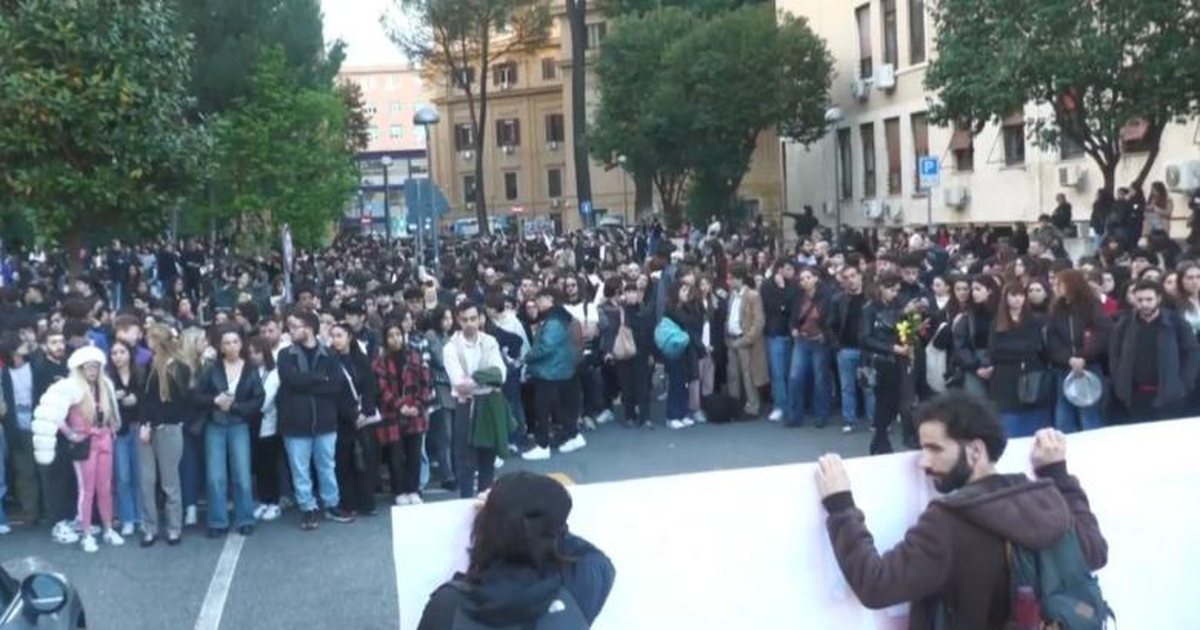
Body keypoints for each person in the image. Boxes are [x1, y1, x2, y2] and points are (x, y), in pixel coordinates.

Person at [815, 392, 1108, 629]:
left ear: (976, 451)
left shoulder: (948, 521)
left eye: (935, 449)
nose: (923, 462)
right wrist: (1057, 473)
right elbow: (1095, 551)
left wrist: (840, 506)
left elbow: (876, 585)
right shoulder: (1047, 498)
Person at [416, 472, 615, 630]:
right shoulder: (576, 589)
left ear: (485, 528)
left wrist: (496, 512)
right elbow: (598, 560)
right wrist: (552, 527)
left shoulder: (447, 606)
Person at [277, 310, 354, 530]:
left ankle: (331, 504)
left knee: (326, 465)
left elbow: (336, 385)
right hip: (295, 421)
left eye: (294, 326)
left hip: (325, 420)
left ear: (308, 328)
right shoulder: (285, 355)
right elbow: (290, 380)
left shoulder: (329, 354)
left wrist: (307, 384)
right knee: (300, 469)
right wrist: (319, 379)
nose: (290, 331)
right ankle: (308, 508)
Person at [196, 325, 264, 537]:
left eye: (235, 342)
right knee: (216, 476)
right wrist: (214, 400)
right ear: (221, 347)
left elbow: (258, 399)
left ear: (241, 344)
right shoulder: (211, 368)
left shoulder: (250, 369)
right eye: (227, 343)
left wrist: (234, 407)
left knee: (242, 474)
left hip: (238, 423)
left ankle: (245, 517)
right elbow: (196, 395)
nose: (232, 346)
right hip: (215, 424)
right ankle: (218, 521)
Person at [1109, 280, 1199, 422]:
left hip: (1170, 396)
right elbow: (1114, 355)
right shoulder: (1124, 324)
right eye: (1140, 300)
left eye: (1149, 299)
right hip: (1135, 397)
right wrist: (1120, 382)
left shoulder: (1176, 322)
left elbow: (1191, 353)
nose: (1144, 304)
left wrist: (1184, 384)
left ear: (1159, 299)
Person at [139, 323, 192, 547]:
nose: (146, 342)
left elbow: (178, 403)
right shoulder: (148, 366)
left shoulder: (179, 367)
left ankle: (174, 528)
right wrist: (145, 423)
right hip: (148, 428)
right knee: (147, 480)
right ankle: (149, 527)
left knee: (170, 482)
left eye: (150, 338)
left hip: (168, 428)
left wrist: (153, 422)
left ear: (157, 341)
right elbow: (145, 399)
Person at [375, 317, 433, 506]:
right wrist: (401, 406)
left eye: (398, 335)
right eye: (391, 336)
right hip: (392, 414)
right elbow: (383, 390)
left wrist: (417, 404)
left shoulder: (415, 356)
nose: (395, 339)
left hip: (415, 412)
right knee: (396, 455)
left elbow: (426, 383)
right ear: (385, 339)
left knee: (415, 454)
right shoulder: (380, 362)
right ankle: (399, 491)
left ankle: (413, 489)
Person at [1046, 270, 1111, 432]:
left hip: (1089, 367)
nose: (1057, 288)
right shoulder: (1056, 309)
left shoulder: (1092, 306)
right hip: (1064, 368)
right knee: (1064, 416)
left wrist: (1084, 357)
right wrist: (1068, 358)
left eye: (1061, 284)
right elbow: (1052, 339)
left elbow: (1102, 335)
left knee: (1089, 415)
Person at [329, 321, 381, 515]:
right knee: (343, 462)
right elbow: (333, 392)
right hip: (342, 420)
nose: (335, 340)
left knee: (365, 461)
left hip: (364, 418)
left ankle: (367, 503)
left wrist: (365, 411)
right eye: (333, 336)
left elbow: (370, 386)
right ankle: (347, 503)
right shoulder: (330, 362)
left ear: (349, 337)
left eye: (339, 335)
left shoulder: (360, 359)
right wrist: (352, 414)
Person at [523, 289, 582, 459]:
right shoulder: (559, 317)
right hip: (556, 368)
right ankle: (573, 434)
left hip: (549, 369)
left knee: (542, 408)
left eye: (539, 300)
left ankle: (543, 445)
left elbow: (546, 346)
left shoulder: (553, 320)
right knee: (555, 406)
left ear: (549, 299)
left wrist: (528, 357)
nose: (537, 304)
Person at [988, 283, 1052, 437]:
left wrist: (1010, 348)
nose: (1017, 299)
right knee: (1009, 420)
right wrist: (1018, 349)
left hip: (1030, 374)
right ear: (1006, 298)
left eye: (1020, 296)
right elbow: (994, 350)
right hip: (1005, 378)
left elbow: (1034, 346)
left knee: (1032, 419)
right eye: (1013, 295)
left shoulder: (1032, 320)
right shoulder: (998, 321)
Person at [826, 265, 874, 433]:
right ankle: (849, 420)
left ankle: (873, 421)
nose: (851, 280)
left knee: (869, 386)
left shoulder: (871, 298)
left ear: (860, 276)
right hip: (845, 349)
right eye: (847, 277)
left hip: (867, 349)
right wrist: (836, 345)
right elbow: (830, 324)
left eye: (853, 275)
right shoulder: (838, 300)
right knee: (847, 387)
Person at [106, 340, 143, 537]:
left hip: (138, 427)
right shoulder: (108, 378)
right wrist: (114, 398)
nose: (118, 356)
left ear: (129, 354)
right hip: (119, 430)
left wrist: (136, 399)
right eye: (114, 353)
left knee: (140, 474)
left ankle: (141, 516)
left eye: (122, 352)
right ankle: (127, 517)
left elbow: (148, 398)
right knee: (123, 476)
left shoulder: (140, 373)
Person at [788, 267, 831, 428]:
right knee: (794, 377)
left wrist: (825, 335)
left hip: (819, 341)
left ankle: (821, 415)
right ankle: (794, 415)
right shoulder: (798, 296)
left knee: (821, 379)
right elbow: (793, 317)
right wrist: (792, 328)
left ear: (815, 278)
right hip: (801, 339)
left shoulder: (826, 296)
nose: (804, 281)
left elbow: (830, 319)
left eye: (807, 277)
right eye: (802, 279)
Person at [724, 263, 768, 418]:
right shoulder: (731, 295)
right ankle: (734, 405)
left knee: (748, 375)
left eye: (731, 278)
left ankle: (752, 406)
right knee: (733, 375)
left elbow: (759, 321)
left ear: (739, 279)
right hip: (731, 339)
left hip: (745, 340)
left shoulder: (752, 296)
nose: (729, 281)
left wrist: (746, 339)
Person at [247, 336, 283, 522]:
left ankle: (274, 502)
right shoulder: (249, 371)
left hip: (268, 423)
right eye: (251, 353)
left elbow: (265, 400)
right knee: (259, 466)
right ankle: (263, 500)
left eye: (257, 352)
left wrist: (246, 406)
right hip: (252, 423)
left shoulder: (273, 373)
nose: (254, 356)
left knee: (269, 465)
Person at [760, 260, 797, 422]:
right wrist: (782, 293)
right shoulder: (767, 286)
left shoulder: (795, 286)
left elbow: (792, 306)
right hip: (775, 333)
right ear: (780, 269)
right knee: (778, 373)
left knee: (791, 373)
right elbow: (772, 307)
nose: (792, 272)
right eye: (788, 269)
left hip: (792, 333)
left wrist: (783, 294)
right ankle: (780, 405)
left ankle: (792, 404)